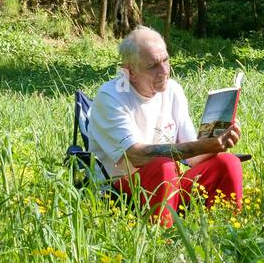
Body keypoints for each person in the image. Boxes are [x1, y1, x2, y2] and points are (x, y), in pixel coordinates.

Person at [86, 26, 243, 227]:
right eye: (152, 66)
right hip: (121, 193)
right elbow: (136, 155)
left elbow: (192, 156)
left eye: (166, 60)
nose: (164, 71)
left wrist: (219, 141)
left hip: (168, 186)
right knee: (163, 165)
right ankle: (162, 241)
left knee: (227, 163)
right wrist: (206, 145)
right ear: (130, 72)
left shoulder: (173, 91)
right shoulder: (110, 97)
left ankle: (227, 231)